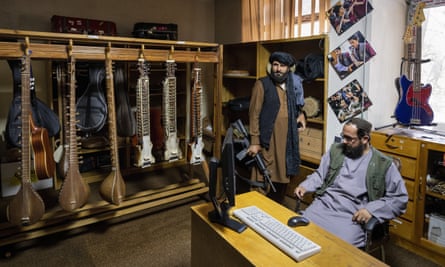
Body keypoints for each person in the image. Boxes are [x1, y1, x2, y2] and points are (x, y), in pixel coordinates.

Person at [294, 118, 408, 248]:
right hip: (323, 205)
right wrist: (305, 186)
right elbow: (320, 175)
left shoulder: (383, 164)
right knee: (301, 233)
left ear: (364, 139)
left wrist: (371, 210)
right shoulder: (336, 151)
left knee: (337, 248)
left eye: (349, 138)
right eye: (343, 136)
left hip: (351, 216)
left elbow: (399, 198)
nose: (344, 141)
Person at [247, 51, 306, 204]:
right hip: (268, 140)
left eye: (282, 66)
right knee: (263, 176)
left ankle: (275, 209)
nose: (278, 69)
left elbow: (296, 106)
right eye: (275, 65)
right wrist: (254, 141)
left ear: (288, 69)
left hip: (286, 141)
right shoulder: (262, 84)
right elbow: (254, 114)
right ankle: (255, 210)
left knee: (283, 177)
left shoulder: (292, 85)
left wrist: (301, 114)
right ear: (271, 66)